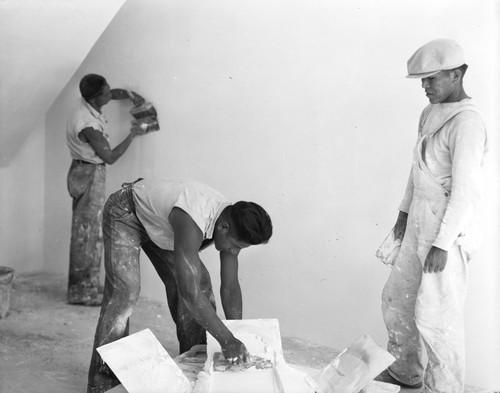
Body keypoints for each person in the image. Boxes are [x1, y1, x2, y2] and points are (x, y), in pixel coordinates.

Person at [87, 178, 273, 392]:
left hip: (161, 225)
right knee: (125, 291)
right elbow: (189, 293)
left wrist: (236, 333)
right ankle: (102, 382)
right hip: (127, 213)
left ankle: (194, 362)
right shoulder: (192, 219)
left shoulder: (231, 221)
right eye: (234, 245)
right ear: (223, 227)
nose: (234, 250)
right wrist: (227, 340)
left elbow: (229, 286)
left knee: (200, 282)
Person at [377, 39, 488, 392]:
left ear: (457, 74)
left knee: (437, 317)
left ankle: (445, 387)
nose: (425, 87)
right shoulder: (429, 113)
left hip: (446, 231)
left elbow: (465, 192)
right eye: (421, 81)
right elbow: (417, 169)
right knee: (397, 299)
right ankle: (405, 370)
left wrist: (442, 244)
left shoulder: (467, 123)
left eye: (432, 79)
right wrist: (402, 214)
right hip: (418, 223)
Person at [66, 73, 149, 306]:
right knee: (88, 232)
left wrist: (134, 97)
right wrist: (133, 133)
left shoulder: (89, 104)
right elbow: (110, 156)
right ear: (95, 98)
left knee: (90, 230)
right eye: (106, 92)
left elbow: (115, 94)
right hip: (88, 173)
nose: (110, 93)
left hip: (85, 169)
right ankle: (82, 292)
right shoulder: (87, 124)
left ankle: (86, 286)